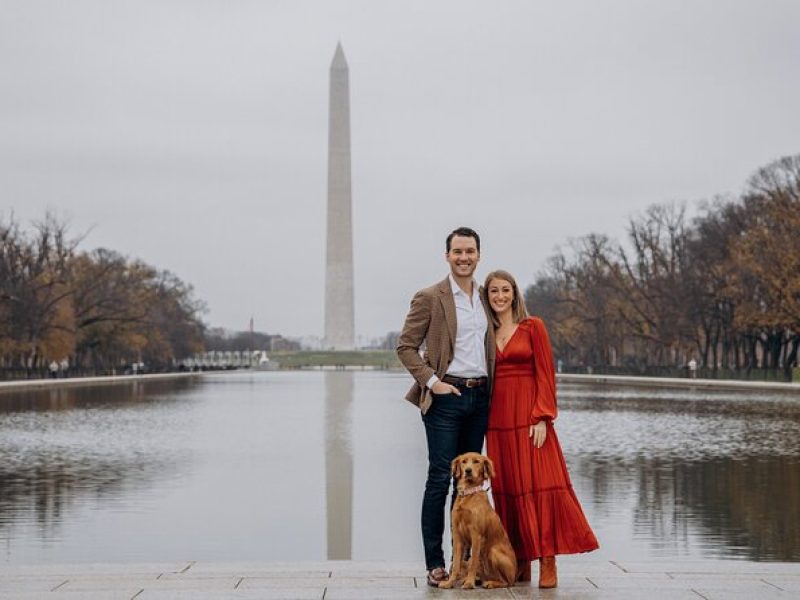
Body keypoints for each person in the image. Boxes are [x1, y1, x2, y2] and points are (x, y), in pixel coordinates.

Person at [483, 270, 598, 588]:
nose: (500, 296)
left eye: (505, 290)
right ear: (487, 296)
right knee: (508, 489)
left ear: (515, 293)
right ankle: (519, 559)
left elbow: (546, 373)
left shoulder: (534, 326)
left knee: (541, 485)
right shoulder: (485, 331)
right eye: (494, 291)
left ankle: (548, 559)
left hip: (530, 417)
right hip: (498, 420)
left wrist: (543, 417)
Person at [396, 227, 495, 587]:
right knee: (440, 479)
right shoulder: (429, 297)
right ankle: (435, 563)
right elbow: (405, 346)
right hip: (445, 396)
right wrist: (433, 382)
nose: (464, 257)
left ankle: (463, 562)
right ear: (447, 255)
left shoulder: (488, 297)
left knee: (469, 486)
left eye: (470, 252)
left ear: (479, 255)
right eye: (457, 252)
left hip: (480, 395)